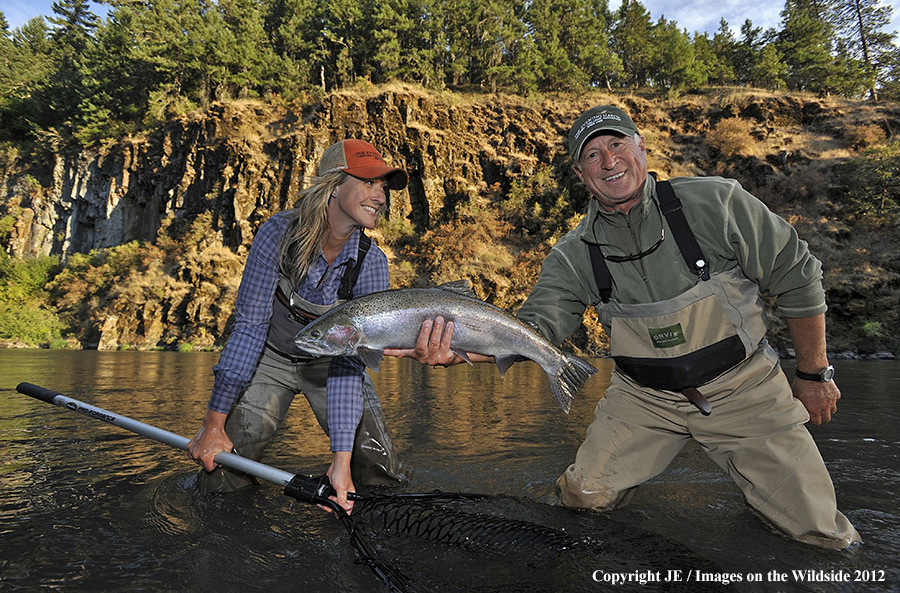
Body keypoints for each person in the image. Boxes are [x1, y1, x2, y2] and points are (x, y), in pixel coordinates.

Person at [388, 105, 861, 549]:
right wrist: (458, 349)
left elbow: (798, 276)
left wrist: (813, 374)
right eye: (592, 155)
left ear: (642, 148)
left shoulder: (717, 202)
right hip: (643, 398)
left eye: (617, 144)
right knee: (580, 501)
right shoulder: (572, 254)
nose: (609, 161)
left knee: (821, 534)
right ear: (581, 174)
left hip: (744, 388)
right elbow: (534, 329)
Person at [188, 139, 409, 515]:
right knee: (225, 465)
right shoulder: (277, 235)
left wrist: (340, 464)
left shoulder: (372, 264)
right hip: (271, 357)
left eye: (383, 187)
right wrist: (213, 422)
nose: (381, 196)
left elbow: (348, 363)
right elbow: (250, 327)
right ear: (334, 185)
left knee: (378, 466)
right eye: (369, 182)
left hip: (331, 363)